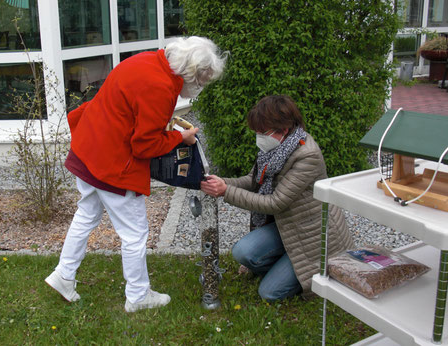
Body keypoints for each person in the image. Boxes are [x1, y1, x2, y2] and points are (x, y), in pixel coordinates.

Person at [45, 36, 227, 312]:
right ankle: (138, 295)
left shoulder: (145, 60)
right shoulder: (162, 86)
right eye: (201, 81)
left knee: (86, 215)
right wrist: (181, 138)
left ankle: (63, 275)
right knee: (135, 233)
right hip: (111, 163)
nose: (199, 87)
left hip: (87, 149)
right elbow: (145, 146)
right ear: (190, 73)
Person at [201, 95, 354, 301]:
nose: (258, 137)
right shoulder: (276, 149)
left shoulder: (307, 156)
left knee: (270, 293)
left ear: (283, 128)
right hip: (288, 226)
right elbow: (252, 179)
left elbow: (275, 203)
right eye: (257, 132)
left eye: (263, 133)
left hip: (313, 236)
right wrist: (222, 182)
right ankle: (287, 262)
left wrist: (225, 191)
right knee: (242, 252)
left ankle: (315, 270)